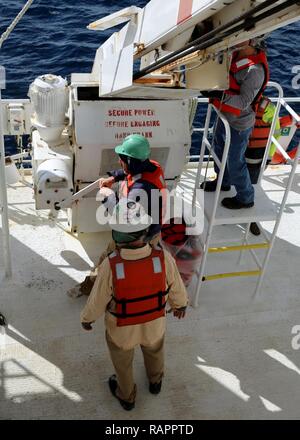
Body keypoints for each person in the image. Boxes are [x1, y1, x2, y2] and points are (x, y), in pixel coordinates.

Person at [80, 200, 188, 411]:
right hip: (154, 323)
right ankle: (155, 382)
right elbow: (176, 286)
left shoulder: (111, 265)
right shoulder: (163, 257)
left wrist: (87, 318)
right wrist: (180, 305)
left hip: (122, 328)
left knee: (122, 363)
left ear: (118, 235)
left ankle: (127, 396)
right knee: (155, 350)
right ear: (144, 232)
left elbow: (98, 299)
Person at [68, 134, 166, 297]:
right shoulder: (153, 166)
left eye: (122, 159)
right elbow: (130, 173)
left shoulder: (138, 191)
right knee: (144, 265)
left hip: (136, 235)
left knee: (106, 262)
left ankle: (91, 287)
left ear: (130, 162)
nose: (120, 161)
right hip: (154, 231)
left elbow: (123, 217)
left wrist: (106, 196)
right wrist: (114, 177)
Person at [201, 37, 269, 210]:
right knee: (217, 148)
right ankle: (222, 182)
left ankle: (246, 198)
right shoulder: (234, 54)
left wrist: (219, 96)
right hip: (224, 116)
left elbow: (243, 102)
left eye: (241, 37)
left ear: (252, 41)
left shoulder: (255, 70)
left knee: (234, 161)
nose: (236, 38)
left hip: (239, 124)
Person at [245, 95, 280, 235]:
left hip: (256, 158)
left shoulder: (269, 109)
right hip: (237, 155)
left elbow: (275, 134)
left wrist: (268, 157)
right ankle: (229, 211)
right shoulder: (239, 101)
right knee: (230, 182)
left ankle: (250, 219)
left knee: (252, 187)